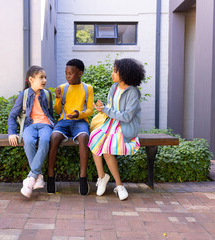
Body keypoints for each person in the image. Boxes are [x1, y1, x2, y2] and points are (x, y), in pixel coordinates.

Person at [88, 58, 145, 200]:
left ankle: (119, 185)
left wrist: (107, 110)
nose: (112, 73)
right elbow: (110, 108)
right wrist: (103, 108)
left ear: (125, 74)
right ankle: (102, 176)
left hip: (125, 126)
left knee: (107, 148)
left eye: (115, 71)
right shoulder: (114, 88)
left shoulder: (133, 93)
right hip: (112, 123)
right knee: (94, 137)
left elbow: (127, 117)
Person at [47, 59, 94, 195]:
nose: (67, 76)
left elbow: (90, 110)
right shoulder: (62, 88)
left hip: (80, 122)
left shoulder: (87, 88)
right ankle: (50, 176)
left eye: (71, 74)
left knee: (84, 137)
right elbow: (57, 111)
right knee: (54, 137)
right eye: (66, 73)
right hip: (64, 122)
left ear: (80, 73)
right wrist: (58, 98)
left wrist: (79, 114)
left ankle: (83, 177)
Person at [8, 65, 55, 198]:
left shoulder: (47, 94)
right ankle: (38, 176)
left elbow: (50, 114)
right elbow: (12, 116)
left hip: (45, 125)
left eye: (45, 77)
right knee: (28, 141)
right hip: (29, 126)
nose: (44, 80)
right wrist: (12, 132)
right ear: (31, 79)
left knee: (45, 140)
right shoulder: (23, 95)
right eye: (41, 77)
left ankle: (30, 178)